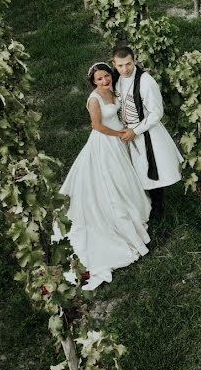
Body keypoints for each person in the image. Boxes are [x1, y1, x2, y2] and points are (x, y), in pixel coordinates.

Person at [59, 63, 151, 290]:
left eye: (106, 76)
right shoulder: (94, 99)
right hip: (105, 142)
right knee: (110, 180)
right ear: (94, 82)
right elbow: (97, 125)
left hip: (119, 141)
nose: (104, 81)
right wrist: (120, 133)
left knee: (125, 176)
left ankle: (134, 205)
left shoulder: (114, 90)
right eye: (99, 79)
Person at [111, 46, 183, 227]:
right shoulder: (117, 80)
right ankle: (142, 204)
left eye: (128, 64)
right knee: (133, 171)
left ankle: (158, 209)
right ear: (114, 64)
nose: (125, 69)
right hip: (126, 131)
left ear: (134, 60)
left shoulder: (145, 82)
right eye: (120, 66)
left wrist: (135, 131)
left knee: (151, 169)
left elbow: (156, 113)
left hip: (145, 131)